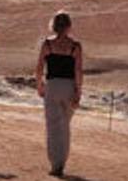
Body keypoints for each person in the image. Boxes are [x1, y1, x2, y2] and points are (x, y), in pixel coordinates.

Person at [35, 10, 82, 178]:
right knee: (65, 127)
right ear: (69, 26)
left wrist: (39, 84)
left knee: (53, 127)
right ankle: (62, 160)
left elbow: (40, 66)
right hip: (69, 86)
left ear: (53, 26)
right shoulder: (75, 46)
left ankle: (56, 163)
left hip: (53, 86)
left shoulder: (47, 44)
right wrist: (78, 91)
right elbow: (78, 70)